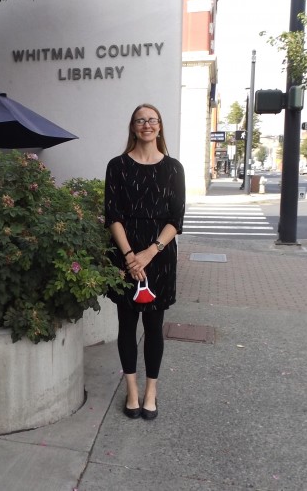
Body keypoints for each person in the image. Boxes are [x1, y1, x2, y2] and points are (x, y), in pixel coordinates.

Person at [103, 103, 185, 421]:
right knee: (126, 325)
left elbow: (175, 218)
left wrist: (149, 253)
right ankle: (132, 391)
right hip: (125, 255)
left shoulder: (174, 168)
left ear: (160, 127)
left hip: (159, 257)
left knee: (153, 327)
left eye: (152, 120)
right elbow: (113, 215)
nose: (147, 124)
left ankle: (151, 391)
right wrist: (129, 257)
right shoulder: (117, 165)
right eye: (140, 120)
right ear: (133, 128)